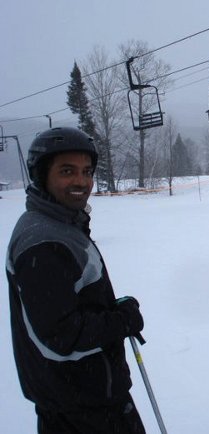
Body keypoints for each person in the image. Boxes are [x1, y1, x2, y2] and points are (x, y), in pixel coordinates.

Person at [6, 127, 146, 434]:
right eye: (67, 171)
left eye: (86, 171)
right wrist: (119, 322)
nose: (81, 181)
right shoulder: (44, 241)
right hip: (81, 409)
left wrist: (111, 309)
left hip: (83, 397)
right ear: (42, 176)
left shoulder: (60, 225)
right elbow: (61, 337)